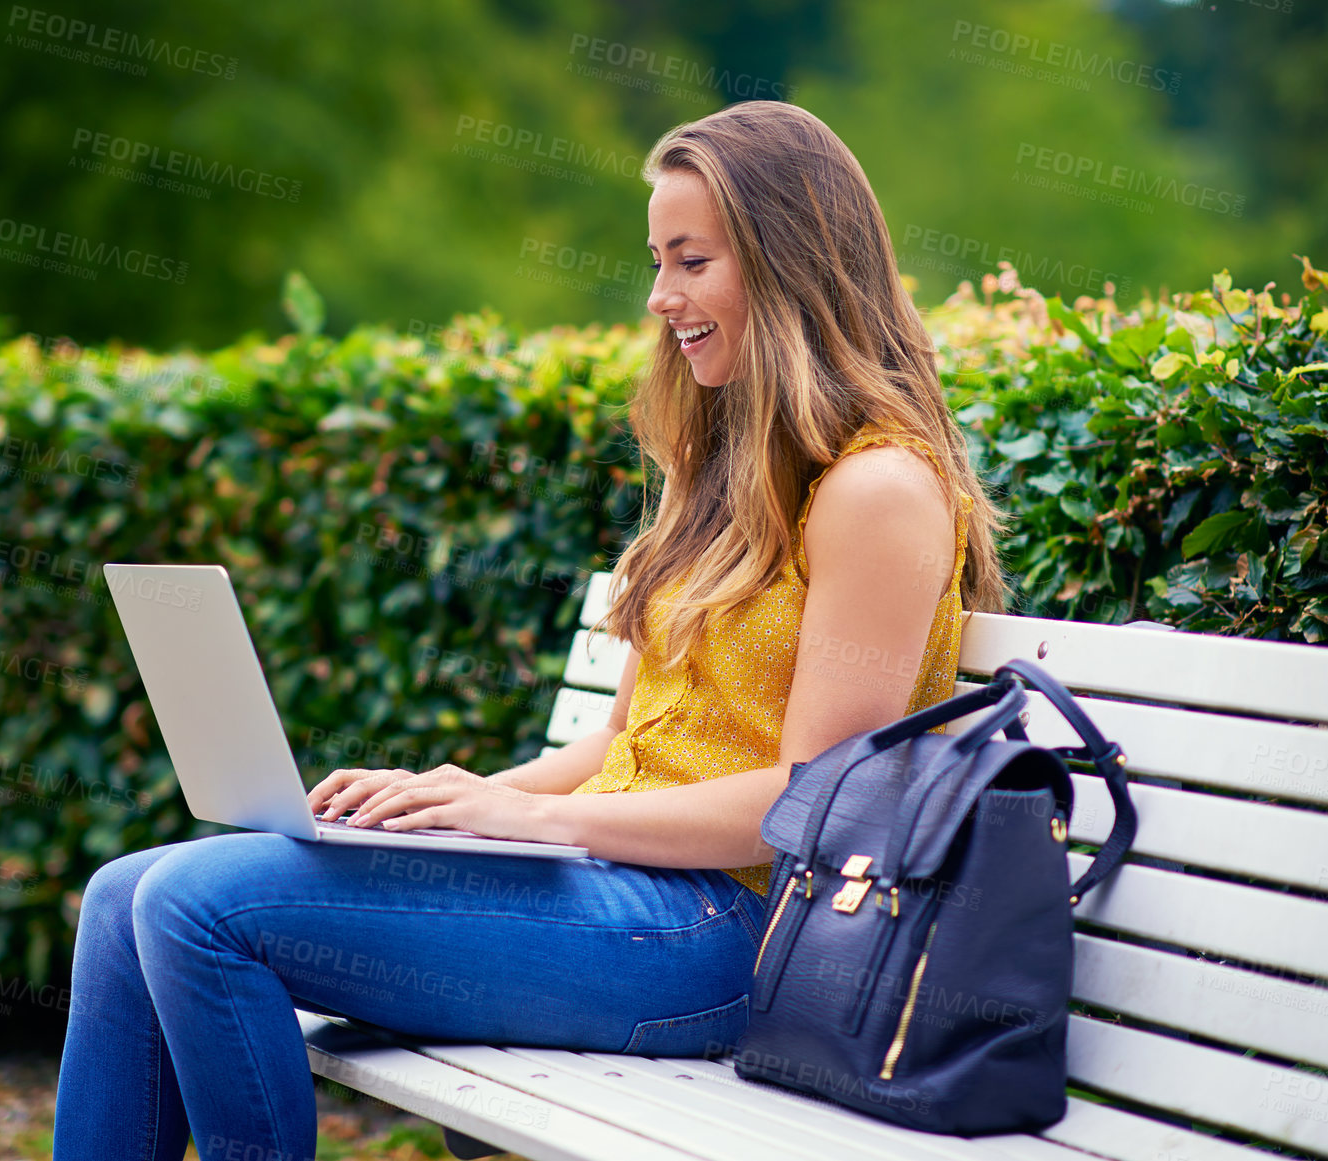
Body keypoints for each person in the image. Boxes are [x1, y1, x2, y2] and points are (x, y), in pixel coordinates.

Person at [52, 100, 1005, 1161]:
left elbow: (812, 801)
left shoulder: (878, 489)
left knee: (194, 905)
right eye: (656, 260)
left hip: (734, 935)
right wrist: (466, 799)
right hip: (627, 898)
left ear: (788, 261)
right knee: (121, 894)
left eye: (690, 261)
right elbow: (621, 745)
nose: (659, 298)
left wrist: (545, 825)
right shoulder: (720, 468)